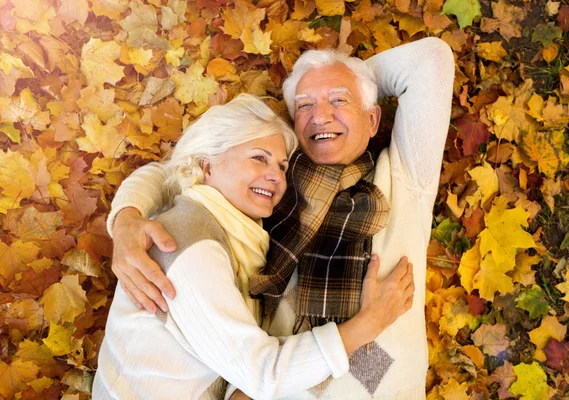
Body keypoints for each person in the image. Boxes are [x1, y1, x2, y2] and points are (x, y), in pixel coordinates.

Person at [107, 37, 455, 399]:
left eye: (338, 100)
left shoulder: (402, 179)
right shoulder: (268, 193)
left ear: (372, 119)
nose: (320, 116)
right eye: (304, 107)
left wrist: (348, 76)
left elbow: (429, 59)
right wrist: (127, 217)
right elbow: (176, 173)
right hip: (274, 379)